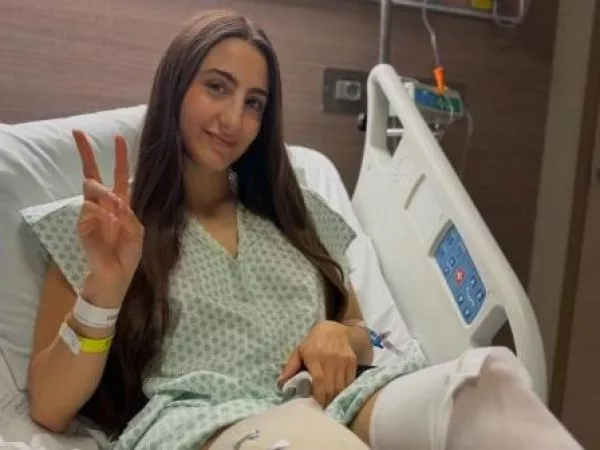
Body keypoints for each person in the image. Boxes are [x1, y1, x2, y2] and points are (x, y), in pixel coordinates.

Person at [23, 9, 583, 450]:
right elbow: (49, 408)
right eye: (216, 87)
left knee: (487, 382)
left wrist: (342, 335)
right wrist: (105, 287)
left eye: (254, 103)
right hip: (211, 421)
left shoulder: (295, 213)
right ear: (175, 87)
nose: (233, 119)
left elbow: (362, 330)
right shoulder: (107, 229)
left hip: (336, 399)